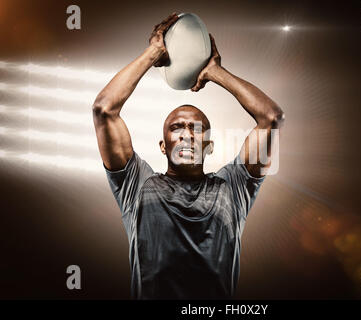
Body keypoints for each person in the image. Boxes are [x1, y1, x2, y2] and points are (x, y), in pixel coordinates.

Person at [92, 13, 284, 299]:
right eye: (176, 128)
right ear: (162, 145)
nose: (186, 134)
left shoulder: (232, 188)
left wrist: (216, 72)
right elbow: (103, 110)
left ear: (208, 146)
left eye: (196, 129)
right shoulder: (137, 184)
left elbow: (271, 117)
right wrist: (153, 52)